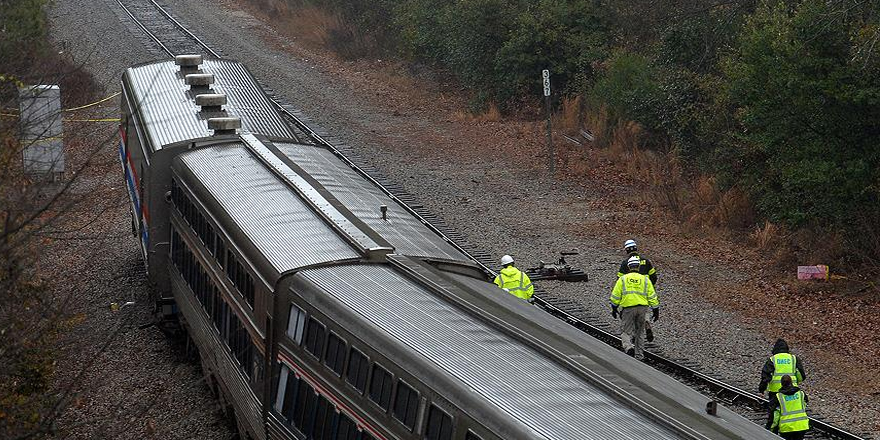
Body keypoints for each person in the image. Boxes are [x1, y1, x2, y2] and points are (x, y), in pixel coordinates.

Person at [610, 256, 659, 358]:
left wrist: (614, 307)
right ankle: (639, 356)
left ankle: (629, 348)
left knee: (626, 332)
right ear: (638, 266)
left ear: (628, 267)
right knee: (640, 333)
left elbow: (615, 295)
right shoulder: (645, 280)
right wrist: (655, 309)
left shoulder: (623, 279)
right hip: (642, 308)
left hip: (628, 308)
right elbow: (652, 295)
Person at [617, 239, 659, 342]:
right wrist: (650, 287)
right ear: (636, 248)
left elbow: (619, 280)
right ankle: (647, 323)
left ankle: (630, 336)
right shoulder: (646, 261)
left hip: (630, 293)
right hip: (645, 290)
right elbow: (654, 276)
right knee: (643, 310)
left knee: (628, 313)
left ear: (626, 250)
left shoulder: (625, 263)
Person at [758, 338, 806, 403]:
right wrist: (796, 381)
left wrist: (762, 388)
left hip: (775, 390)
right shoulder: (794, 358)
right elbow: (802, 376)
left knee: (775, 409)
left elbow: (766, 376)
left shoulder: (773, 359)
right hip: (792, 389)